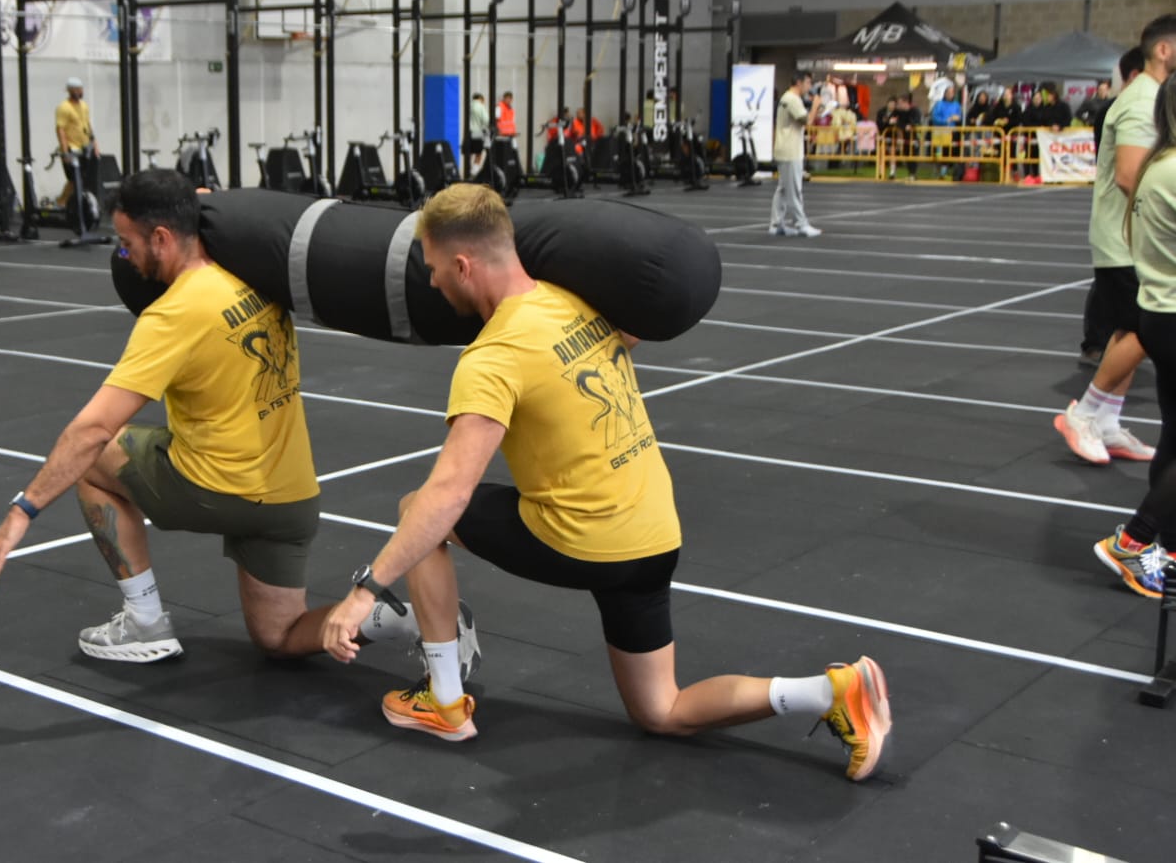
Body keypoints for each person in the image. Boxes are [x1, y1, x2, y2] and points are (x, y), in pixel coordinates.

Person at [319, 185, 891, 780]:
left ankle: (443, 701)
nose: (433, 283)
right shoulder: (576, 303)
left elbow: (448, 495)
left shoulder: (490, 357)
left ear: (464, 265)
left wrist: (366, 591)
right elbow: (631, 335)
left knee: (419, 506)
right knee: (661, 710)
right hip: (655, 536)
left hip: (586, 542)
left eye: (434, 270)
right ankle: (830, 693)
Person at [0, 169, 478, 670]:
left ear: (161, 237)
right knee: (278, 637)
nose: (123, 255)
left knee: (91, 461)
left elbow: (92, 430)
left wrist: (23, 510)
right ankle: (401, 617)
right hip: (291, 499)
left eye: (127, 243)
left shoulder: (172, 314)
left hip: (220, 489)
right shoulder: (259, 271)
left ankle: (145, 621)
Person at [1055, 17, 1176, 467]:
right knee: (1144, 330)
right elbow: (1130, 175)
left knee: (1133, 330)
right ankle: (1085, 413)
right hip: (1125, 238)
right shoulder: (1142, 99)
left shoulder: (1152, 97)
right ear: (1163, 50)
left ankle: (1105, 420)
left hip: (1136, 238)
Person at [1095, 68, 1176, 597]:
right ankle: (1135, 540)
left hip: (1159, 313)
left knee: (1175, 433)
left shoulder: (1157, 165)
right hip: (1171, 312)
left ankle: (1165, 545)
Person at [1081, 49, 1146, 366]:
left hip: (1134, 224)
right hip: (1120, 223)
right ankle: (1095, 342)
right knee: (1137, 324)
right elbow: (1125, 173)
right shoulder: (1121, 111)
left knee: (1134, 323)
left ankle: (1096, 406)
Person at [770, 73, 822, 237]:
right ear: (799, 82)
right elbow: (806, 121)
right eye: (808, 82)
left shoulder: (788, 98)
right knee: (794, 189)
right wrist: (815, 106)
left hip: (786, 148)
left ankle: (776, 223)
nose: (809, 86)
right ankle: (801, 224)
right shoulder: (792, 99)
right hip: (790, 150)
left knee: (784, 189)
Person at [55, 77, 97, 206]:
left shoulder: (83, 106)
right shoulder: (64, 107)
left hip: (83, 147)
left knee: (82, 179)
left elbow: (88, 125)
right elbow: (60, 129)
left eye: (80, 89)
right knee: (73, 179)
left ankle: (70, 203)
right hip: (72, 148)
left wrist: (94, 144)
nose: (79, 91)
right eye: (76, 89)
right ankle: (62, 202)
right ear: (70, 91)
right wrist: (65, 150)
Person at [467, 92, 490, 174]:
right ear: (481, 98)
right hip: (477, 132)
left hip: (468, 132)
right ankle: (474, 171)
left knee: (469, 152)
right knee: (478, 153)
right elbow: (486, 120)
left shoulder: (468, 105)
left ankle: (467, 169)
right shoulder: (480, 106)